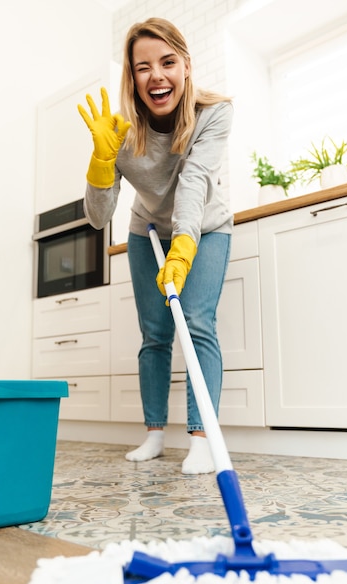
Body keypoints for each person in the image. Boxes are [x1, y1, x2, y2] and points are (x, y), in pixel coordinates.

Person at [78, 17, 234, 474]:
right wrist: (102, 162)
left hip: (204, 226)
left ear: (186, 65)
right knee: (155, 334)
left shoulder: (215, 112)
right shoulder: (121, 131)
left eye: (167, 61)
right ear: (132, 76)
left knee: (198, 323)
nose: (157, 75)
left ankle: (202, 439)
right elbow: (98, 217)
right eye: (143, 67)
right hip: (146, 231)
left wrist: (184, 247)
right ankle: (153, 435)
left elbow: (193, 183)